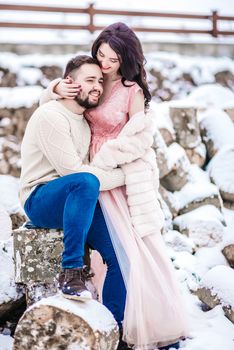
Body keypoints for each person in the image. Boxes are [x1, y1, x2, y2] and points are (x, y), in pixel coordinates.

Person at [40, 23, 189, 350]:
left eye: (112, 58)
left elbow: (140, 137)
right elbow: (59, 94)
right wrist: (54, 88)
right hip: (87, 173)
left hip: (116, 174)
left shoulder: (131, 90)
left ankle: (139, 323)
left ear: (126, 58)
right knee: (101, 252)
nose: (104, 63)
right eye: (101, 55)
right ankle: (102, 319)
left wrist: (105, 162)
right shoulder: (92, 79)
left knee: (130, 247)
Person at [19, 55, 127, 339]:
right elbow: (75, 172)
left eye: (100, 81)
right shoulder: (50, 115)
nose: (97, 87)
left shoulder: (83, 120)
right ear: (68, 83)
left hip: (78, 198)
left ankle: (113, 331)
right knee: (85, 180)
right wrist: (125, 177)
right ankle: (71, 271)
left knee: (120, 256)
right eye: (89, 80)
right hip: (40, 198)